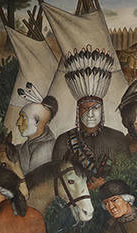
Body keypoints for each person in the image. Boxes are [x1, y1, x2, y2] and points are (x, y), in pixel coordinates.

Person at [52, 47, 127, 182]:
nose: (90, 114)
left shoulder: (118, 138)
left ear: (102, 110)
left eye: (95, 108)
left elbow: (128, 175)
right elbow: (56, 179)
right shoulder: (63, 141)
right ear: (78, 111)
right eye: (85, 109)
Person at [14, 84, 58, 173]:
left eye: (23, 118)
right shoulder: (21, 148)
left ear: (37, 122)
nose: (18, 123)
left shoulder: (46, 150)